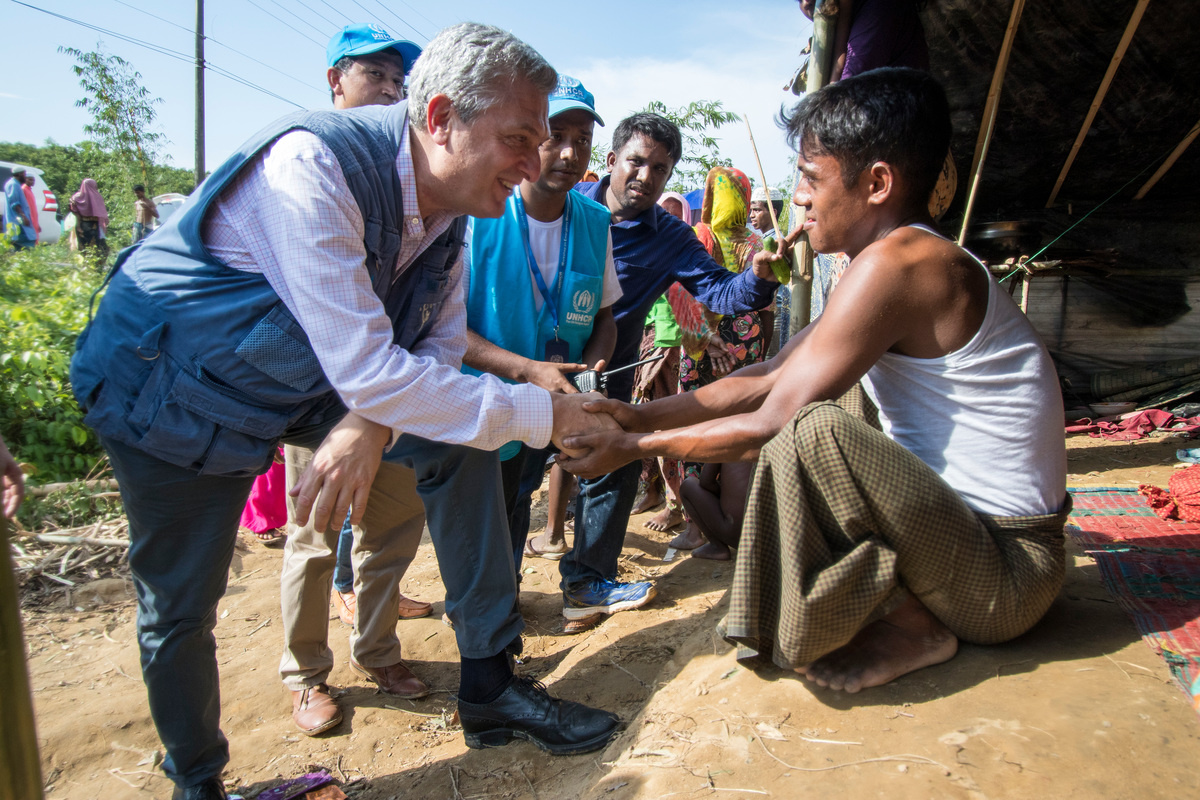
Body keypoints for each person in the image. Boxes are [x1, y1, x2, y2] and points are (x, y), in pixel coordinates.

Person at [69, 23, 620, 800]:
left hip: (303, 380)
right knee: (181, 603)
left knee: (460, 442)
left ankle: (491, 685)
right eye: (519, 139)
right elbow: (369, 367)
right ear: (440, 119)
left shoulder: (454, 207)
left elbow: (434, 348)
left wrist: (369, 418)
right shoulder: (312, 167)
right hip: (169, 384)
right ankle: (198, 782)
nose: (536, 164)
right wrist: (547, 415)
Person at [559, 68, 1070, 696]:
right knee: (818, 392)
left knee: (812, 425)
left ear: (877, 184)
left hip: (1003, 578)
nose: (797, 198)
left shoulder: (901, 265)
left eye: (810, 177)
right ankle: (901, 605)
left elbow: (772, 420)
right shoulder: (887, 260)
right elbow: (768, 373)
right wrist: (638, 416)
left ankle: (915, 623)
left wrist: (631, 447)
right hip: (963, 551)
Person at [560, 114, 780, 633]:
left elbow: (720, 291)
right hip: (534, 373)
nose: (645, 176)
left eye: (660, 169)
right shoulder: (565, 206)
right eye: (636, 162)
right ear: (611, 160)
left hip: (608, 375)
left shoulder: (670, 237)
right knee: (513, 477)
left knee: (610, 475)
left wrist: (760, 279)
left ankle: (588, 583)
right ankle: (497, 600)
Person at [461, 74, 618, 594]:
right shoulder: (480, 212)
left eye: (583, 140)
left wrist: (592, 369)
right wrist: (527, 370)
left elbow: (605, 317)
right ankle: (491, 612)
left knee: (520, 496)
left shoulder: (595, 222)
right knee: (485, 514)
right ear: (529, 138)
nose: (570, 153)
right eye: (557, 136)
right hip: (483, 398)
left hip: (556, 401)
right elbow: (446, 327)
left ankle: (505, 602)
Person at [316, 23, 433, 627]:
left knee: (382, 500)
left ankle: (366, 604)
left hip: (382, 373)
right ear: (335, 81)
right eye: (374, 74)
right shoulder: (317, 163)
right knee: (324, 510)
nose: (390, 90)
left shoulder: (402, 175)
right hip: (317, 381)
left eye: (397, 80)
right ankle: (324, 625)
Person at [671, 167, 770, 553]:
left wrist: (703, 338)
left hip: (704, 343)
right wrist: (760, 353)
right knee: (736, 425)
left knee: (693, 421)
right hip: (747, 343)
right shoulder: (756, 242)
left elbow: (680, 292)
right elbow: (766, 307)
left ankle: (697, 527)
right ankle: (733, 520)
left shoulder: (700, 235)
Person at [678, 460, 754, 561]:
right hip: (769, 536)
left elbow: (706, 481)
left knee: (688, 485)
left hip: (740, 536)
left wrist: (723, 494)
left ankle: (717, 547)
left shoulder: (727, 448)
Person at [69, 178, 109, 261]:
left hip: (82, 224)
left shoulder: (76, 197)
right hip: (95, 225)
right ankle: (96, 263)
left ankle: (85, 263)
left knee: (84, 246)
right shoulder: (98, 197)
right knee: (97, 246)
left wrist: (78, 224)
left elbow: (74, 211)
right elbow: (102, 213)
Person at [4, 167, 35, 249]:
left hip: (18, 220)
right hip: (18, 221)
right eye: (24, 175)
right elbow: (14, 203)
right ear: (20, 174)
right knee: (26, 243)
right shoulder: (13, 184)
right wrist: (23, 216)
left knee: (19, 244)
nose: (25, 177)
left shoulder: (15, 184)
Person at [22, 175, 41, 240]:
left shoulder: (29, 190)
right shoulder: (23, 189)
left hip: (34, 219)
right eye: (30, 180)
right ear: (25, 179)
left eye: (33, 180)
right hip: (28, 219)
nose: (32, 182)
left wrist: (37, 224)